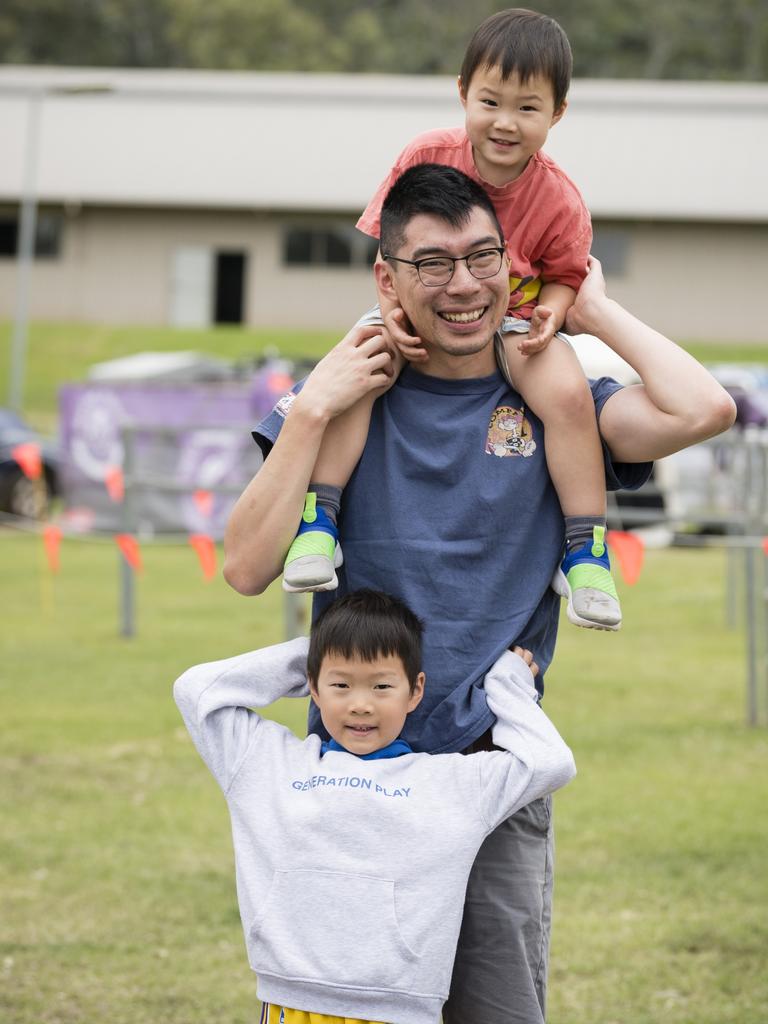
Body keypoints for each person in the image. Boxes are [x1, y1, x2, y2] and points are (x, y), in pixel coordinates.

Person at [223, 163, 735, 1023]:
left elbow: (705, 409)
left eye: (482, 256)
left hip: (491, 784)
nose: (463, 285)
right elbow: (245, 566)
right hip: (354, 782)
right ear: (386, 277)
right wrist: (312, 409)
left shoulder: (553, 391)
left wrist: (592, 303)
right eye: (432, 262)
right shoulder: (347, 399)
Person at [282, 9, 616, 631]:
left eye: (528, 108)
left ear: (558, 113)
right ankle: (318, 520)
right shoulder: (427, 154)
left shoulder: (560, 198)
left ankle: (585, 548)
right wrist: (391, 313)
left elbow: (569, 272)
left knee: (569, 395)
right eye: (490, 101)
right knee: (364, 369)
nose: (505, 123)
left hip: (511, 321)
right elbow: (387, 247)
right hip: (417, 308)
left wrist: (553, 313)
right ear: (463, 92)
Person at [174, 589, 576, 1024]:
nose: (361, 704)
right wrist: (318, 654)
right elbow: (196, 691)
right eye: (341, 685)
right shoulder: (268, 764)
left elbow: (550, 763)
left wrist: (507, 684)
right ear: (313, 687)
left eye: (382, 685)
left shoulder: (452, 784)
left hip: (402, 1006)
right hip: (294, 998)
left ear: (415, 690)